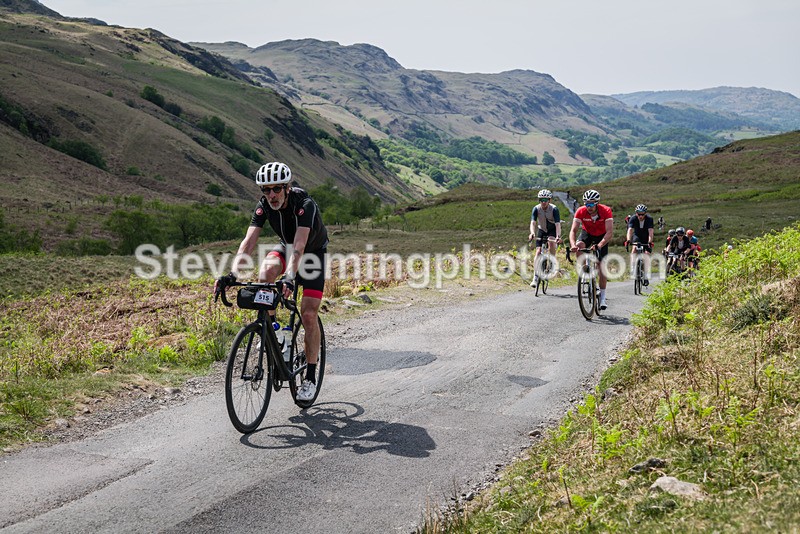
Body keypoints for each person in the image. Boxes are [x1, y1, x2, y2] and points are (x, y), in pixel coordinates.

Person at [215, 161, 329, 402]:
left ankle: (309, 376)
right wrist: (232, 275)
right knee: (264, 274)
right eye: (265, 190)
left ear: (287, 187)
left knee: (308, 314)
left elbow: (300, 245)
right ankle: (276, 333)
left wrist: (289, 277)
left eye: (276, 189)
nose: (271, 195)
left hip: (312, 254)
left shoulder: (304, 205)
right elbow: (248, 242)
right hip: (287, 247)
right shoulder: (264, 206)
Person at [569, 189, 613, 310]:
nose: (589, 207)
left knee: (601, 267)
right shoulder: (581, 211)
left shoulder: (606, 211)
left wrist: (600, 244)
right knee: (579, 245)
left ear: (597, 203)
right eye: (586, 204)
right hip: (587, 233)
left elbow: (609, 232)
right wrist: (573, 245)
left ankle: (603, 298)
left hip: (602, 236)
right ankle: (585, 270)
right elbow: (573, 230)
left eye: (591, 204)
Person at [528, 189, 561, 287]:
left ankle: (552, 261)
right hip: (541, 230)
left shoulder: (554, 209)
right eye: (541, 200)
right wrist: (532, 233)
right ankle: (535, 277)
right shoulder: (536, 208)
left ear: (549, 200)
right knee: (538, 252)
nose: (543, 202)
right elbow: (533, 222)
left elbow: (558, 224)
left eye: (545, 200)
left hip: (552, 230)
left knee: (551, 243)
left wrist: (558, 236)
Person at [625, 203, 654, 286]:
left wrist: (650, 241)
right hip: (637, 235)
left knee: (647, 255)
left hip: (646, 237)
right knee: (634, 249)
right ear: (636, 213)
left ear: (645, 213)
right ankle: (633, 268)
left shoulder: (649, 219)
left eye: (642, 214)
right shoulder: (633, 218)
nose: (640, 216)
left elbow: (650, 232)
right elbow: (630, 230)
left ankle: (645, 276)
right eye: (639, 214)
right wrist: (628, 240)